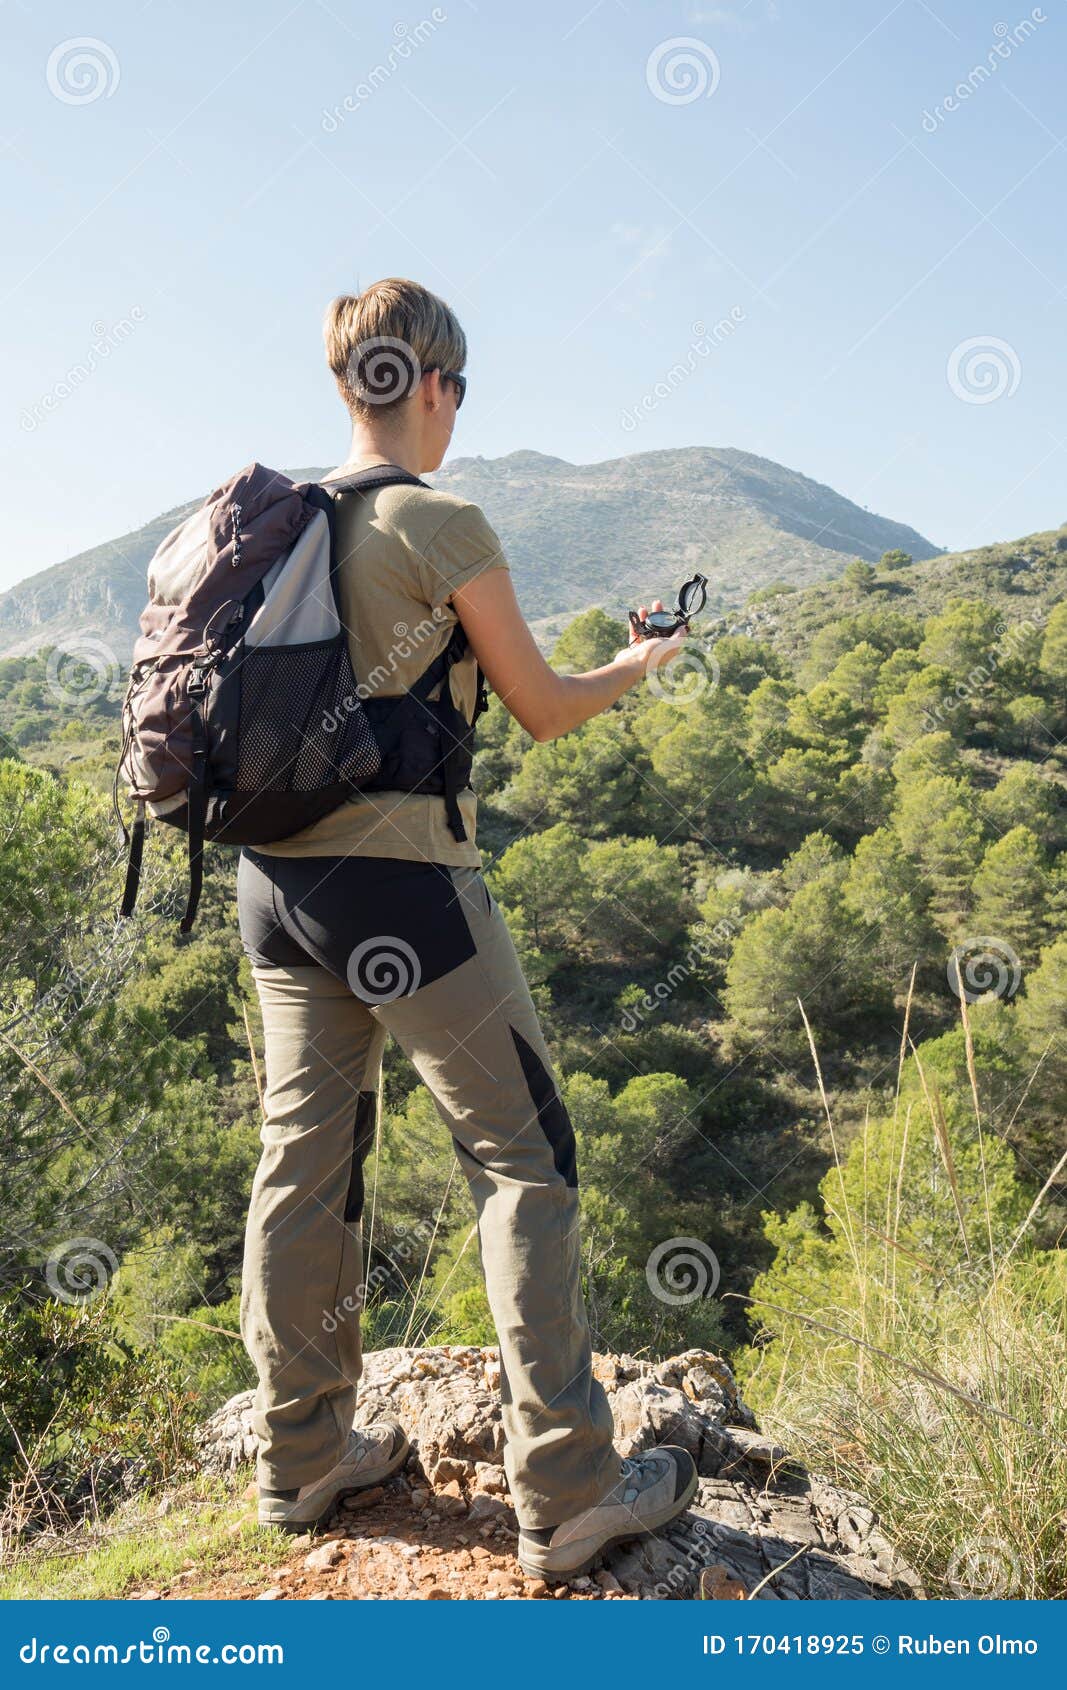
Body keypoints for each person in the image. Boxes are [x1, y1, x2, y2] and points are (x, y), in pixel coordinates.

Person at [237, 277, 698, 1580]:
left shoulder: (274, 523)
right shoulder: (437, 520)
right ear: (429, 383)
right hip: (403, 882)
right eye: (461, 391)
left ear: (348, 385)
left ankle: (302, 1453)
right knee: (527, 1157)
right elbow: (542, 704)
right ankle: (569, 1488)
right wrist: (641, 666)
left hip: (275, 886)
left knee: (303, 1161)